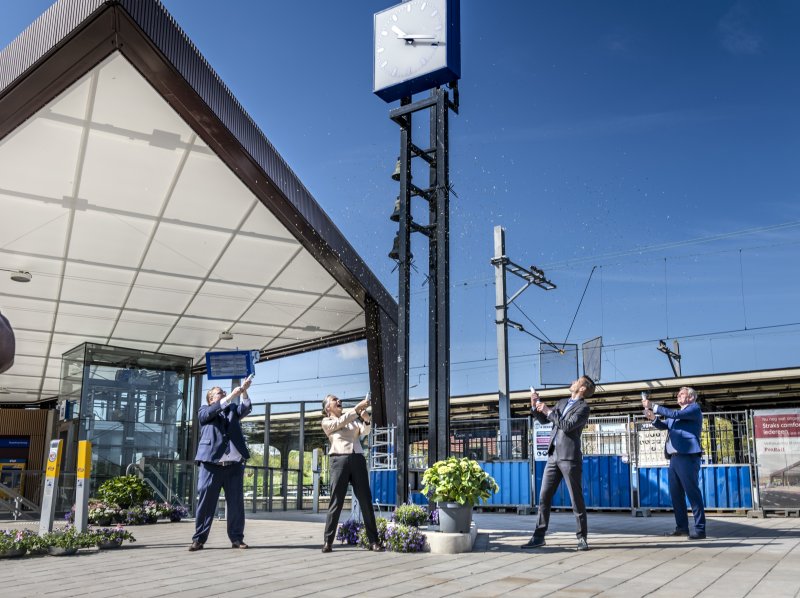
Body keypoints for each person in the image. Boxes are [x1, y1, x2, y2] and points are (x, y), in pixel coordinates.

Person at [523, 375, 594, 552]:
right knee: (544, 497)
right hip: (553, 456)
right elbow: (545, 420)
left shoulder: (584, 408)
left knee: (576, 499)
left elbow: (567, 425)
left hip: (570, 458)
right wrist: (535, 406)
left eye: (577, 381)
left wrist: (548, 411)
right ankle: (539, 536)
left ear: (583, 388)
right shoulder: (562, 402)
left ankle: (581, 537)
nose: (572, 382)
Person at [189, 376, 253, 552]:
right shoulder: (205, 410)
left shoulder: (232, 409)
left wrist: (244, 391)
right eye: (219, 393)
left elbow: (246, 408)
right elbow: (206, 416)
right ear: (211, 399)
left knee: (236, 505)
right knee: (206, 503)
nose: (224, 394)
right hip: (211, 464)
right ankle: (199, 539)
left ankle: (237, 538)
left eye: (224, 392)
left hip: (233, 466)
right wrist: (231, 395)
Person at [321, 393, 383, 553]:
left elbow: (365, 431)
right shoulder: (327, 422)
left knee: (366, 501)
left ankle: (374, 541)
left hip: (357, 460)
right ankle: (328, 541)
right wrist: (356, 409)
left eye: (339, 399)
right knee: (336, 501)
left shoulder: (353, 419)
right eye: (335, 400)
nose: (339, 401)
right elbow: (341, 422)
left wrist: (366, 419)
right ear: (328, 407)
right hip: (339, 461)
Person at [642, 387, 706, 539]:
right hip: (674, 458)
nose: (678, 396)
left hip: (687, 456)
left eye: (682, 394)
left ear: (691, 397)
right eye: (678, 394)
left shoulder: (693, 409)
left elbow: (674, 414)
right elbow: (665, 425)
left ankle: (700, 529)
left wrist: (654, 406)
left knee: (692, 493)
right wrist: (653, 418)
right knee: (676, 495)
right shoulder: (677, 415)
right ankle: (682, 528)